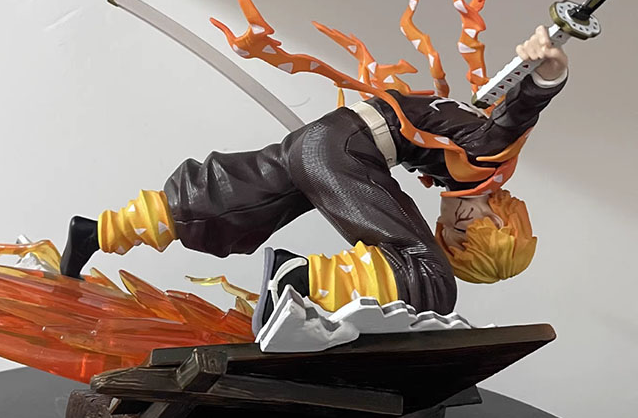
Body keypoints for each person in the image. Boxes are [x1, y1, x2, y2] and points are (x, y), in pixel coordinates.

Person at [60, 25, 568, 333]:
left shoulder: (464, 151)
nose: (450, 223)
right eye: (466, 229)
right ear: (496, 216)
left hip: (324, 140)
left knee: (231, 201)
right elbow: (518, 114)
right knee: (430, 278)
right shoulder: (487, 156)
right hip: (348, 148)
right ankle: (297, 279)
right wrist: (548, 70)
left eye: (451, 235)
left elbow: (495, 109)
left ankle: (96, 232)